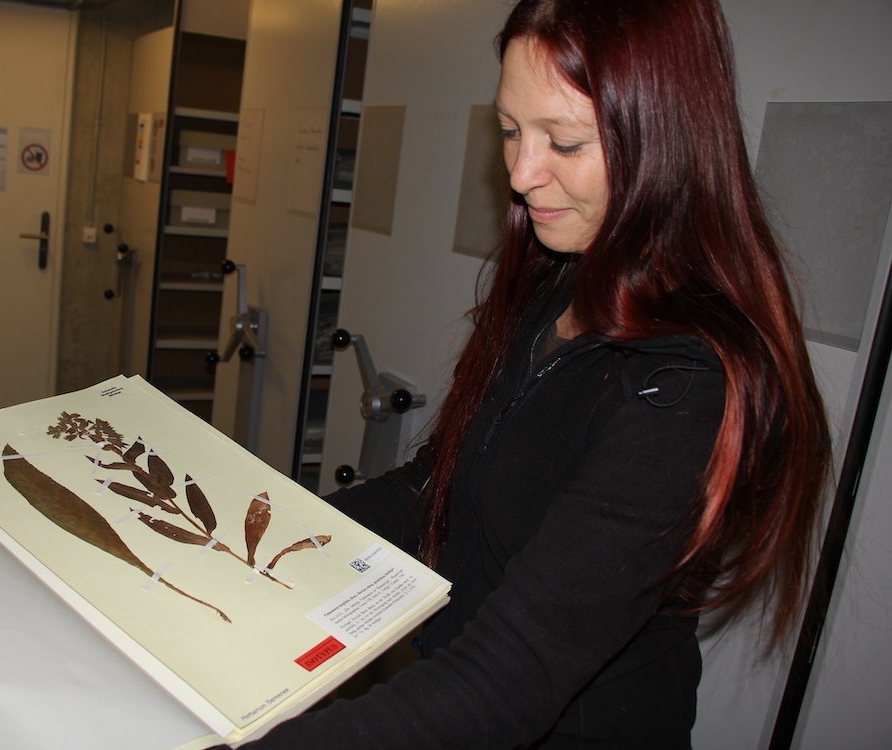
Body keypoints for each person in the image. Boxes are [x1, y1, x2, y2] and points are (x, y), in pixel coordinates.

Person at [236, 0, 832, 747]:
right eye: (511, 131)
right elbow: (440, 492)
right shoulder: (566, 278)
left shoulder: (689, 384)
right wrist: (257, 531)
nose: (521, 176)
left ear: (666, 140)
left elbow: (507, 681)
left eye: (566, 141)